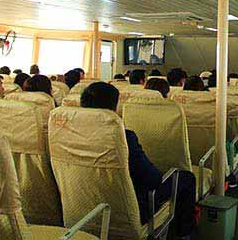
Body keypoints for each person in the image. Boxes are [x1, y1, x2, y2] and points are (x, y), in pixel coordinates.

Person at [80, 82, 195, 238]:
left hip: (82, 212)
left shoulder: (64, 135)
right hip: (127, 210)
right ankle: (184, 234)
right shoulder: (123, 137)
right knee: (186, 178)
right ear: (113, 108)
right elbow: (152, 179)